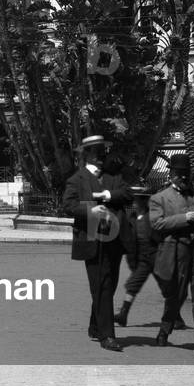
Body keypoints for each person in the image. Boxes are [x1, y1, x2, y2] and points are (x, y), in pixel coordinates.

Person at [63, 135, 133, 352]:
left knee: (109, 285)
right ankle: (107, 335)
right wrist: (90, 210)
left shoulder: (113, 177)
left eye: (103, 153)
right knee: (100, 286)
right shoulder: (77, 179)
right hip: (92, 239)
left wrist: (108, 194)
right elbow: (68, 205)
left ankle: (95, 325)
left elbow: (127, 194)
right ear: (88, 156)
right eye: (97, 154)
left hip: (114, 239)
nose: (102, 157)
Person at [149, 153, 194, 356]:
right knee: (177, 295)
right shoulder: (160, 198)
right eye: (180, 174)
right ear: (171, 175)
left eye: (186, 175)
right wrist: (183, 218)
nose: (183, 178)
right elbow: (156, 223)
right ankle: (164, 330)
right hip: (177, 251)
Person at [114, 187, 187, 330]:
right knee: (133, 285)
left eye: (138, 199)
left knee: (166, 287)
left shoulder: (151, 216)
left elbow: (161, 231)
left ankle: (176, 317)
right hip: (142, 258)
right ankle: (123, 314)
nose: (135, 202)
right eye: (134, 199)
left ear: (143, 201)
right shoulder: (133, 218)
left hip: (156, 256)